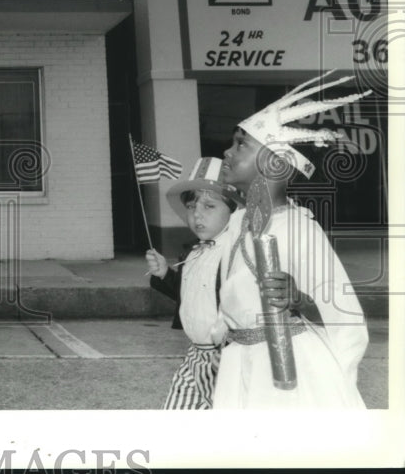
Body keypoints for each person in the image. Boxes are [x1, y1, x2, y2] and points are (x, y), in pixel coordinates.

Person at [214, 71, 370, 408]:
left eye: (241, 143)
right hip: (238, 365)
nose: (227, 151)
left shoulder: (299, 227)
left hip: (289, 373)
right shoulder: (237, 221)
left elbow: (345, 317)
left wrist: (299, 298)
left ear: (272, 161)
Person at [147, 157, 243, 409]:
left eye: (209, 206)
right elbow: (191, 294)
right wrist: (165, 274)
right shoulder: (194, 252)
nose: (197, 214)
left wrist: (232, 347)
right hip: (195, 354)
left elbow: (246, 305)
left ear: (234, 212)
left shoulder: (235, 253)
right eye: (191, 207)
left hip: (224, 356)